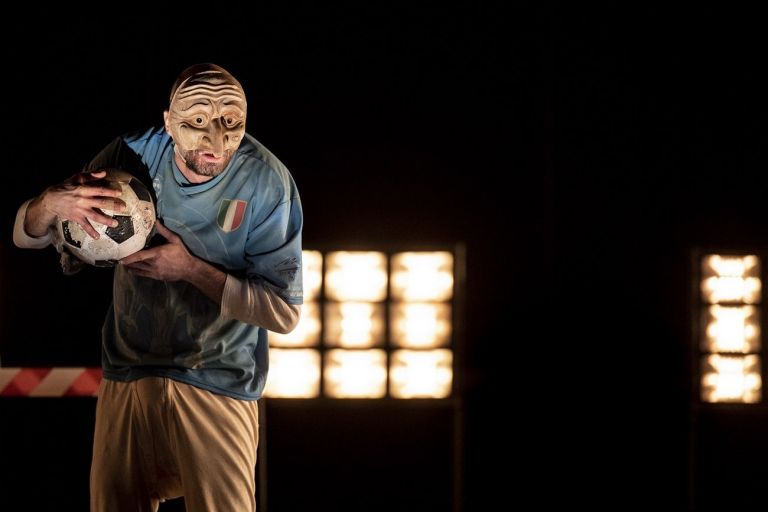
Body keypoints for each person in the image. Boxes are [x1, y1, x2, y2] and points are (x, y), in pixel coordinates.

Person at [12, 63, 303, 511]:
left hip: (217, 380)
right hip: (128, 371)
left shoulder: (266, 182)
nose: (216, 140)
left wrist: (190, 269)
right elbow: (25, 235)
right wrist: (50, 202)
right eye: (198, 120)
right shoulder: (130, 156)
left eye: (231, 121)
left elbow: (283, 312)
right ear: (168, 121)